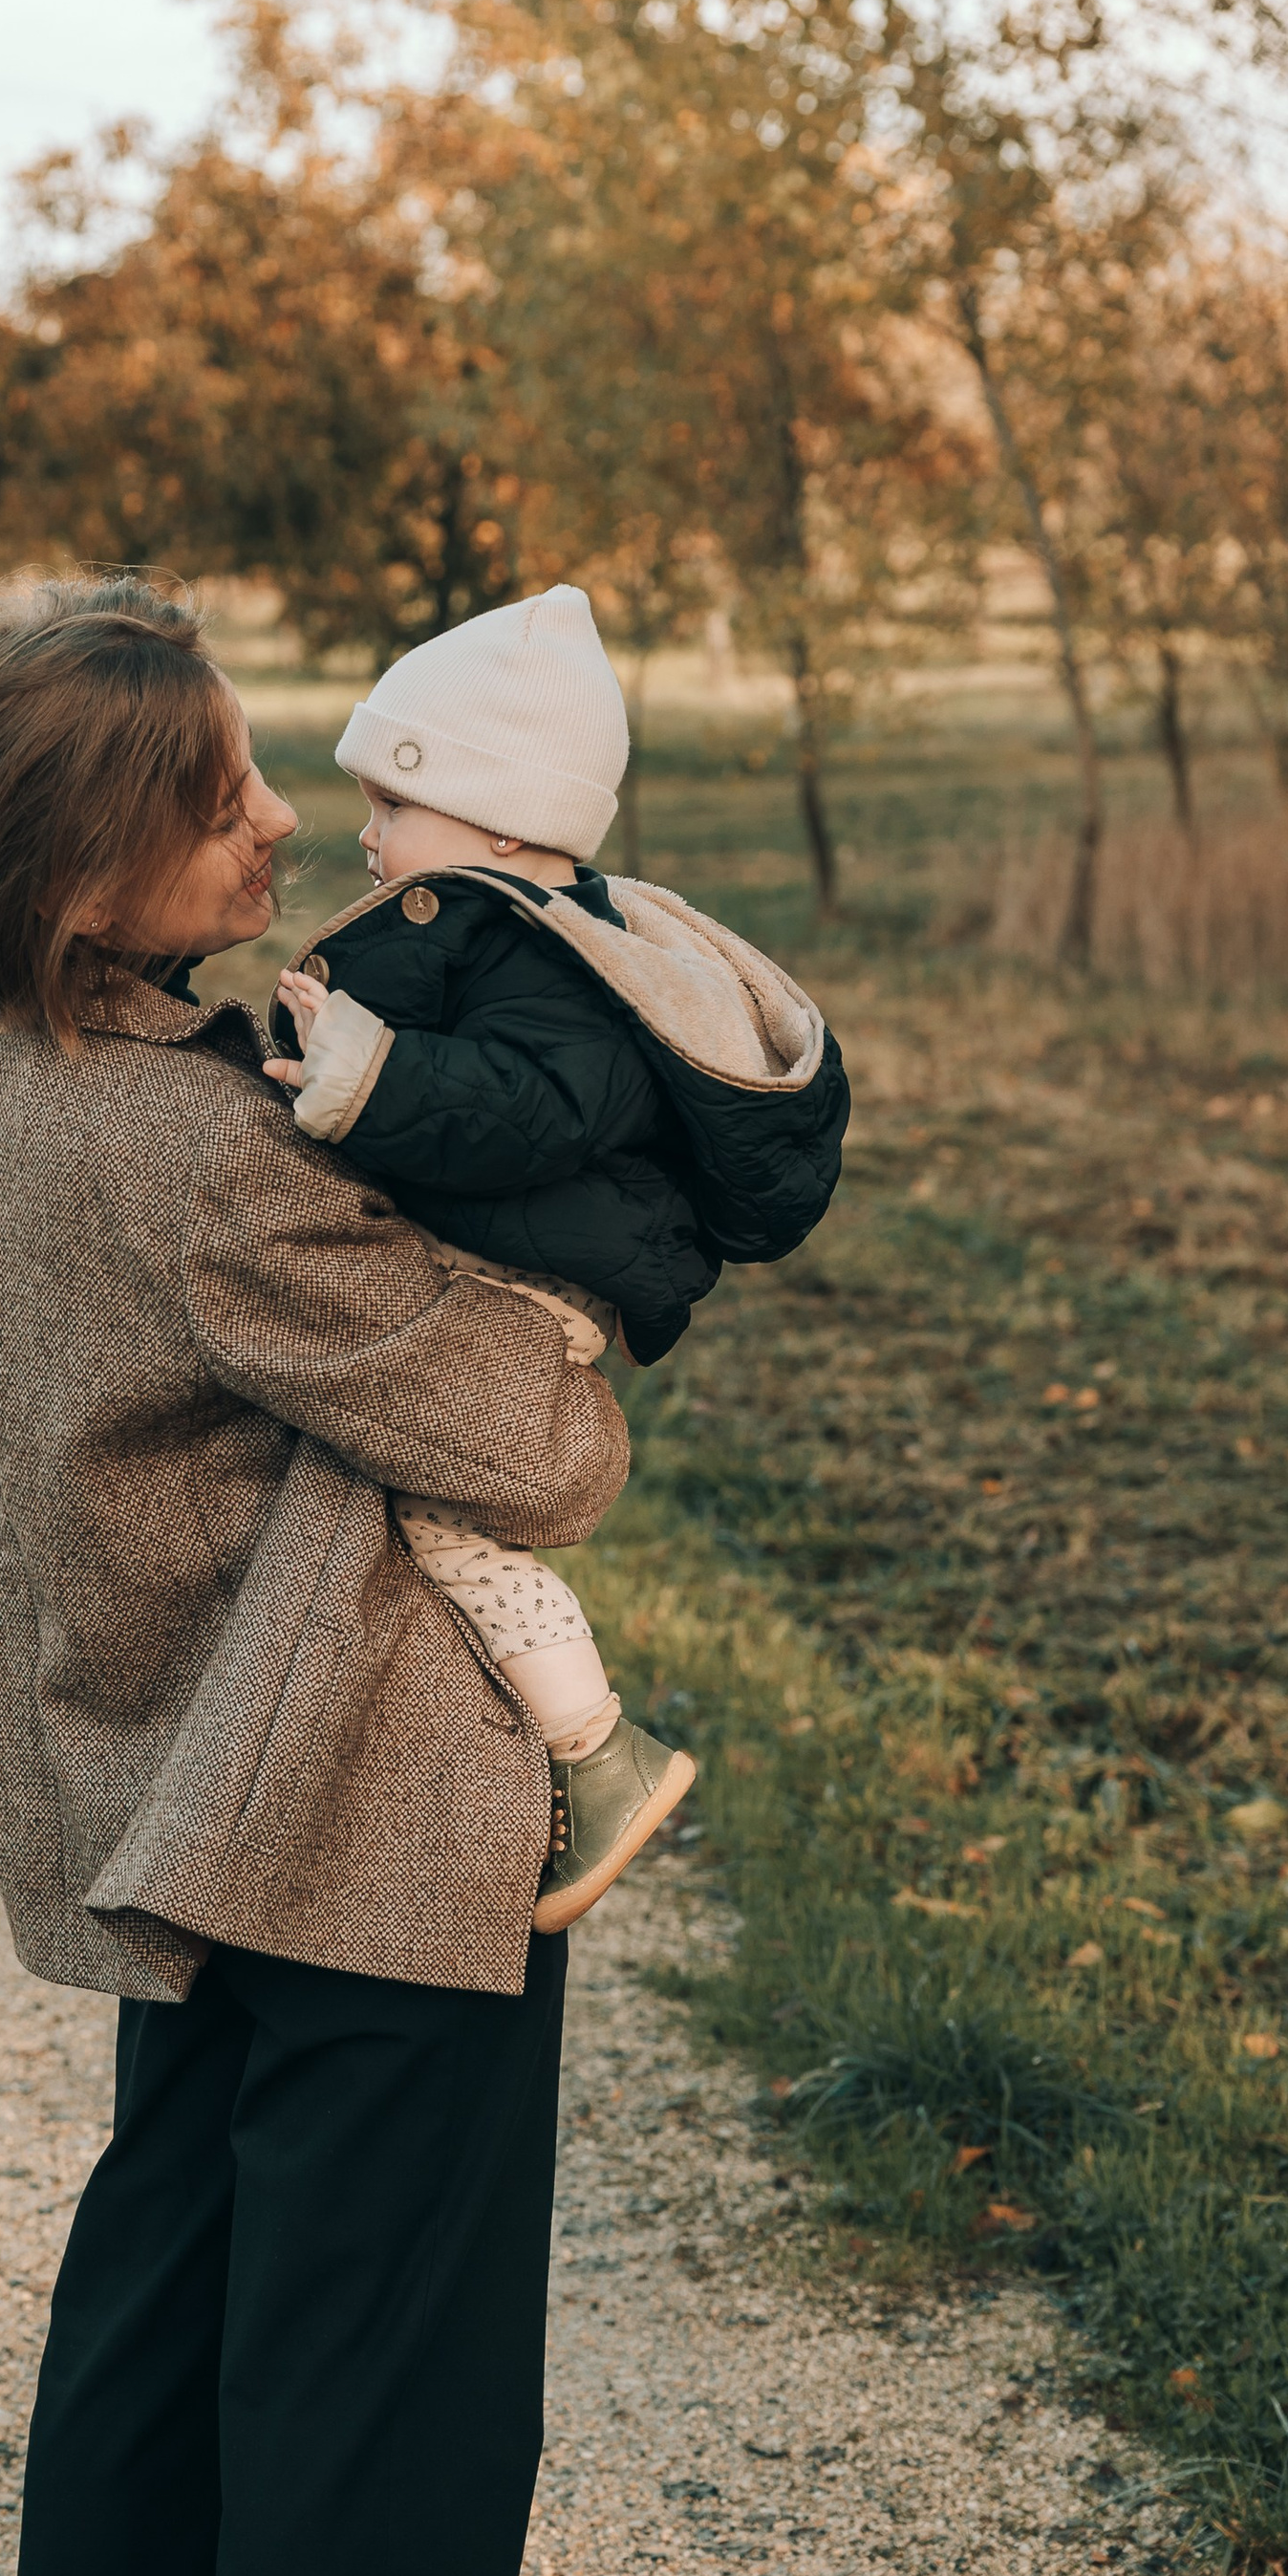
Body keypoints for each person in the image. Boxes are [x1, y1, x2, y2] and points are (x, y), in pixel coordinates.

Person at [0, 576, 625, 2576]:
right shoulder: (200, 1149)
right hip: (350, 1806)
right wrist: (564, 1318)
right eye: (221, 795)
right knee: (376, 2379)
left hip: (152, 1776)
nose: (282, 812)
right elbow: (539, 1446)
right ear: (88, 875)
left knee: (168, 2310)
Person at [264, 585, 848, 1929]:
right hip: (519, 1265)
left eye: (390, 807)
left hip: (534, 1288)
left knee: (437, 1510)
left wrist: (376, 1079)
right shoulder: (507, 929)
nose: (365, 838)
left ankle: (597, 1749)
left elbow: (540, 1107)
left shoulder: (548, 956)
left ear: (501, 819)